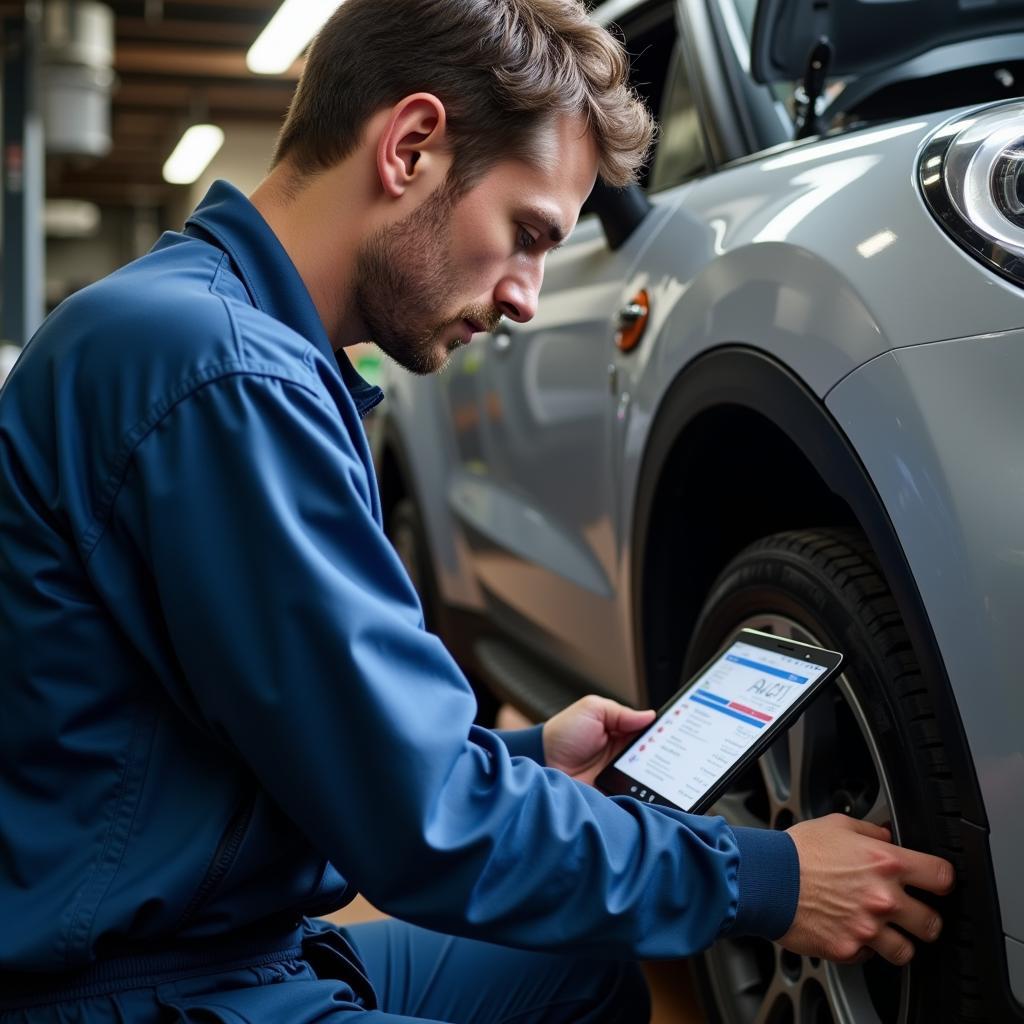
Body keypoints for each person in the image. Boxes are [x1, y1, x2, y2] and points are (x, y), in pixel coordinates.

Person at [0, 0, 954, 1021]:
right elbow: (421, 830)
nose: (527, 297)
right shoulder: (225, 377)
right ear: (411, 146)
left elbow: (305, 741)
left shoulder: (220, 334)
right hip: (126, 988)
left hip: (222, 936)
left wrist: (526, 755)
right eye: (527, 233)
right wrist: (768, 879)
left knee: (595, 967)